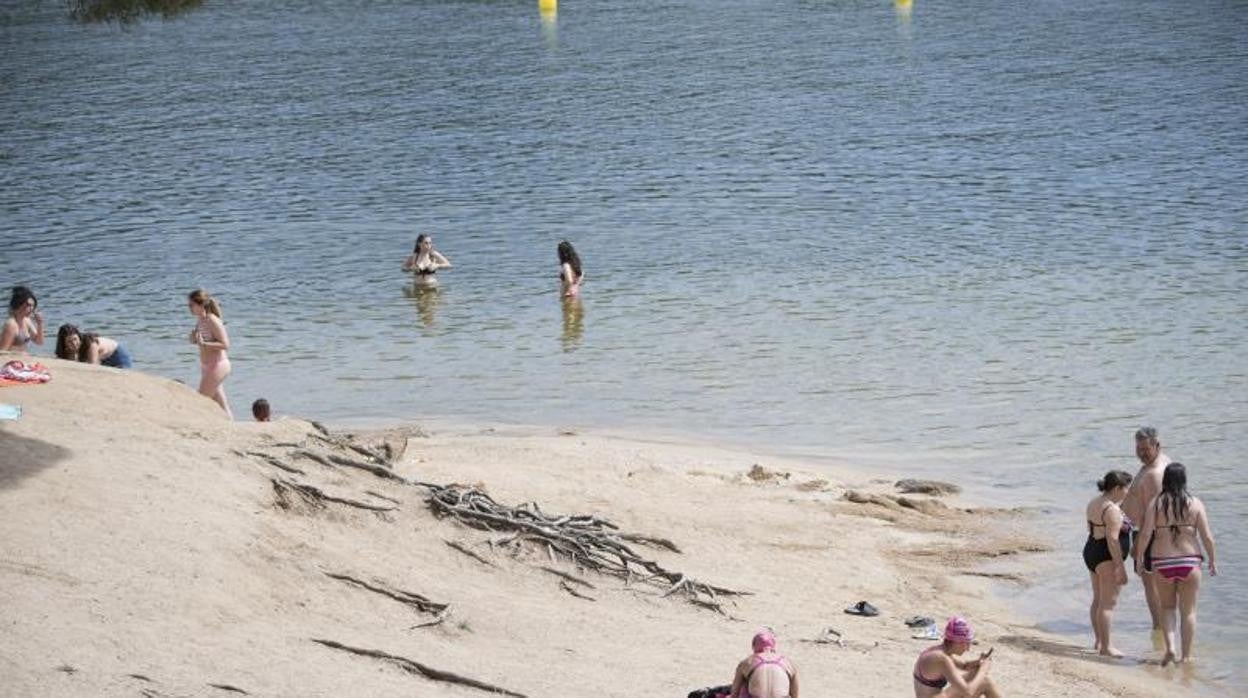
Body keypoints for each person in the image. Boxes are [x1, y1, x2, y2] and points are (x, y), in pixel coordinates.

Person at [1135, 463, 1217, 666]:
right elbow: (1207, 537)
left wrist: (1138, 559)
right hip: (1190, 562)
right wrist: (1213, 560)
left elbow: (1145, 534)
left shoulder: (1156, 503)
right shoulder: (1195, 503)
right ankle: (1186, 656)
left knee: (1168, 608)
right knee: (1188, 611)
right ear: (1184, 480)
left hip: (1162, 562)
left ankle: (1170, 647)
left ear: (1165, 480)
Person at [1120, 426, 1172, 635]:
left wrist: (1139, 545)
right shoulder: (1161, 461)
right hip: (1146, 532)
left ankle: (1158, 630)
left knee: (1151, 586)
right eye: (1138, 449)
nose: (1141, 453)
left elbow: (1154, 514)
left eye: (1145, 449)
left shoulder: (1154, 474)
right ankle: (1162, 629)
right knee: (1154, 584)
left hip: (1148, 534)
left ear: (1157, 446)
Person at [1083, 470, 1133, 657]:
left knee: (1098, 598)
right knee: (1108, 604)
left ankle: (1099, 641)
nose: (1128, 491)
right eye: (1126, 488)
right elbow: (1113, 540)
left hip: (1091, 550)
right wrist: (1120, 567)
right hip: (1105, 555)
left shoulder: (1094, 502)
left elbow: (1091, 528)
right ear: (1117, 488)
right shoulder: (1111, 509)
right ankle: (1106, 647)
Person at [912, 617, 999, 697]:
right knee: (985, 682)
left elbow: (964, 666)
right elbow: (968, 693)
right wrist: (983, 670)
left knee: (976, 674)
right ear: (958, 642)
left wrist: (980, 661)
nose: (968, 648)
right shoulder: (941, 659)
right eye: (967, 643)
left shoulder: (939, 651)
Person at [187, 289, 232, 418]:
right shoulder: (200, 320)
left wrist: (204, 344)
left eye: (191, 305)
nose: (189, 308)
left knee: (200, 400)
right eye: (188, 305)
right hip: (207, 366)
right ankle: (232, 427)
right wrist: (194, 340)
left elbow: (225, 344)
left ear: (201, 305)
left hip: (218, 365)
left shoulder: (212, 319)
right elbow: (203, 342)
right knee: (221, 404)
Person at [730, 629, 798, 698]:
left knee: (744, 684)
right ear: (773, 646)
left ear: (753, 646)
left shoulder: (747, 662)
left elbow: (734, 694)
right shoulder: (789, 663)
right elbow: (795, 695)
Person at [54, 324, 133, 368]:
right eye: (69, 341)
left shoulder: (91, 344)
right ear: (64, 343)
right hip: (103, 359)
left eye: (75, 339)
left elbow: (93, 368)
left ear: (79, 336)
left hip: (118, 356)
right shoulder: (66, 349)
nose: (74, 343)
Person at [0, 286, 44, 353]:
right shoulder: (11, 325)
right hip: (12, 360)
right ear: (18, 304)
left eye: (33, 306)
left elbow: (39, 342)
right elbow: (2, 351)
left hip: (23, 359)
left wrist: (40, 324)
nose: (31, 309)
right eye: (28, 305)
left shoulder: (27, 321)